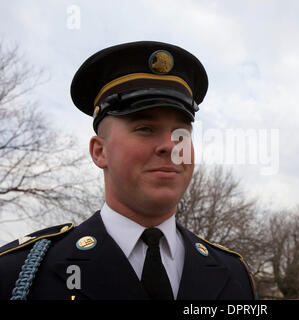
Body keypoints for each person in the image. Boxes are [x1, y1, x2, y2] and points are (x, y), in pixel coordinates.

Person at [0, 41, 256, 300]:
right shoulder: (19, 272)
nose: (170, 146)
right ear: (100, 152)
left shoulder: (234, 274)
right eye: (145, 128)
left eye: (182, 133)